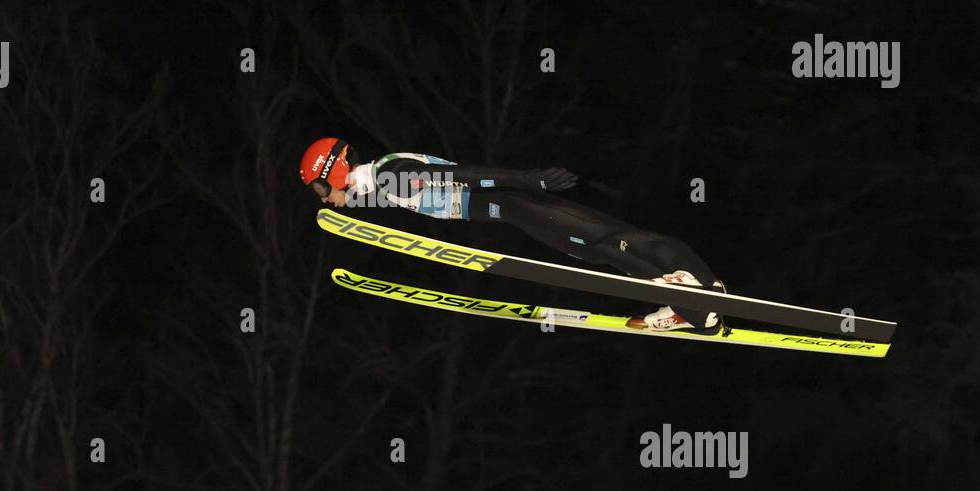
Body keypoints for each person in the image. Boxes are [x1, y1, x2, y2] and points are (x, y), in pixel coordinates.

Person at [299, 137, 726, 333]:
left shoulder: (389, 176)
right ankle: (702, 284)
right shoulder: (381, 179)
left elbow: (461, 175)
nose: (323, 199)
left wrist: (528, 182)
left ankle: (690, 305)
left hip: (511, 204)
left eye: (321, 188)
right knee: (617, 240)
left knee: (600, 248)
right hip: (509, 206)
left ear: (332, 172)